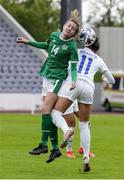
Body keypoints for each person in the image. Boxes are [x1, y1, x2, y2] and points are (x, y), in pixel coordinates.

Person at [16, 9, 80, 163]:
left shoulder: (71, 47)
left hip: (58, 78)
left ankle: (44, 144)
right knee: (49, 112)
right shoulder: (54, 35)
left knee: (45, 109)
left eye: (73, 29)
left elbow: (73, 67)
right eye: (68, 26)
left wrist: (74, 80)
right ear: (64, 26)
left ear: (73, 34)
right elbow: (45, 45)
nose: (69, 29)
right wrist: (27, 42)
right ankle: (55, 149)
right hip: (46, 75)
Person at [51, 27, 115, 172]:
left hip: (73, 84)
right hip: (88, 87)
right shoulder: (99, 60)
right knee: (85, 124)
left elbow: (62, 62)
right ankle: (86, 157)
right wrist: (104, 78)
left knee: (55, 112)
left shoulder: (76, 52)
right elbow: (111, 80)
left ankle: (66, 130)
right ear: (94, 46)